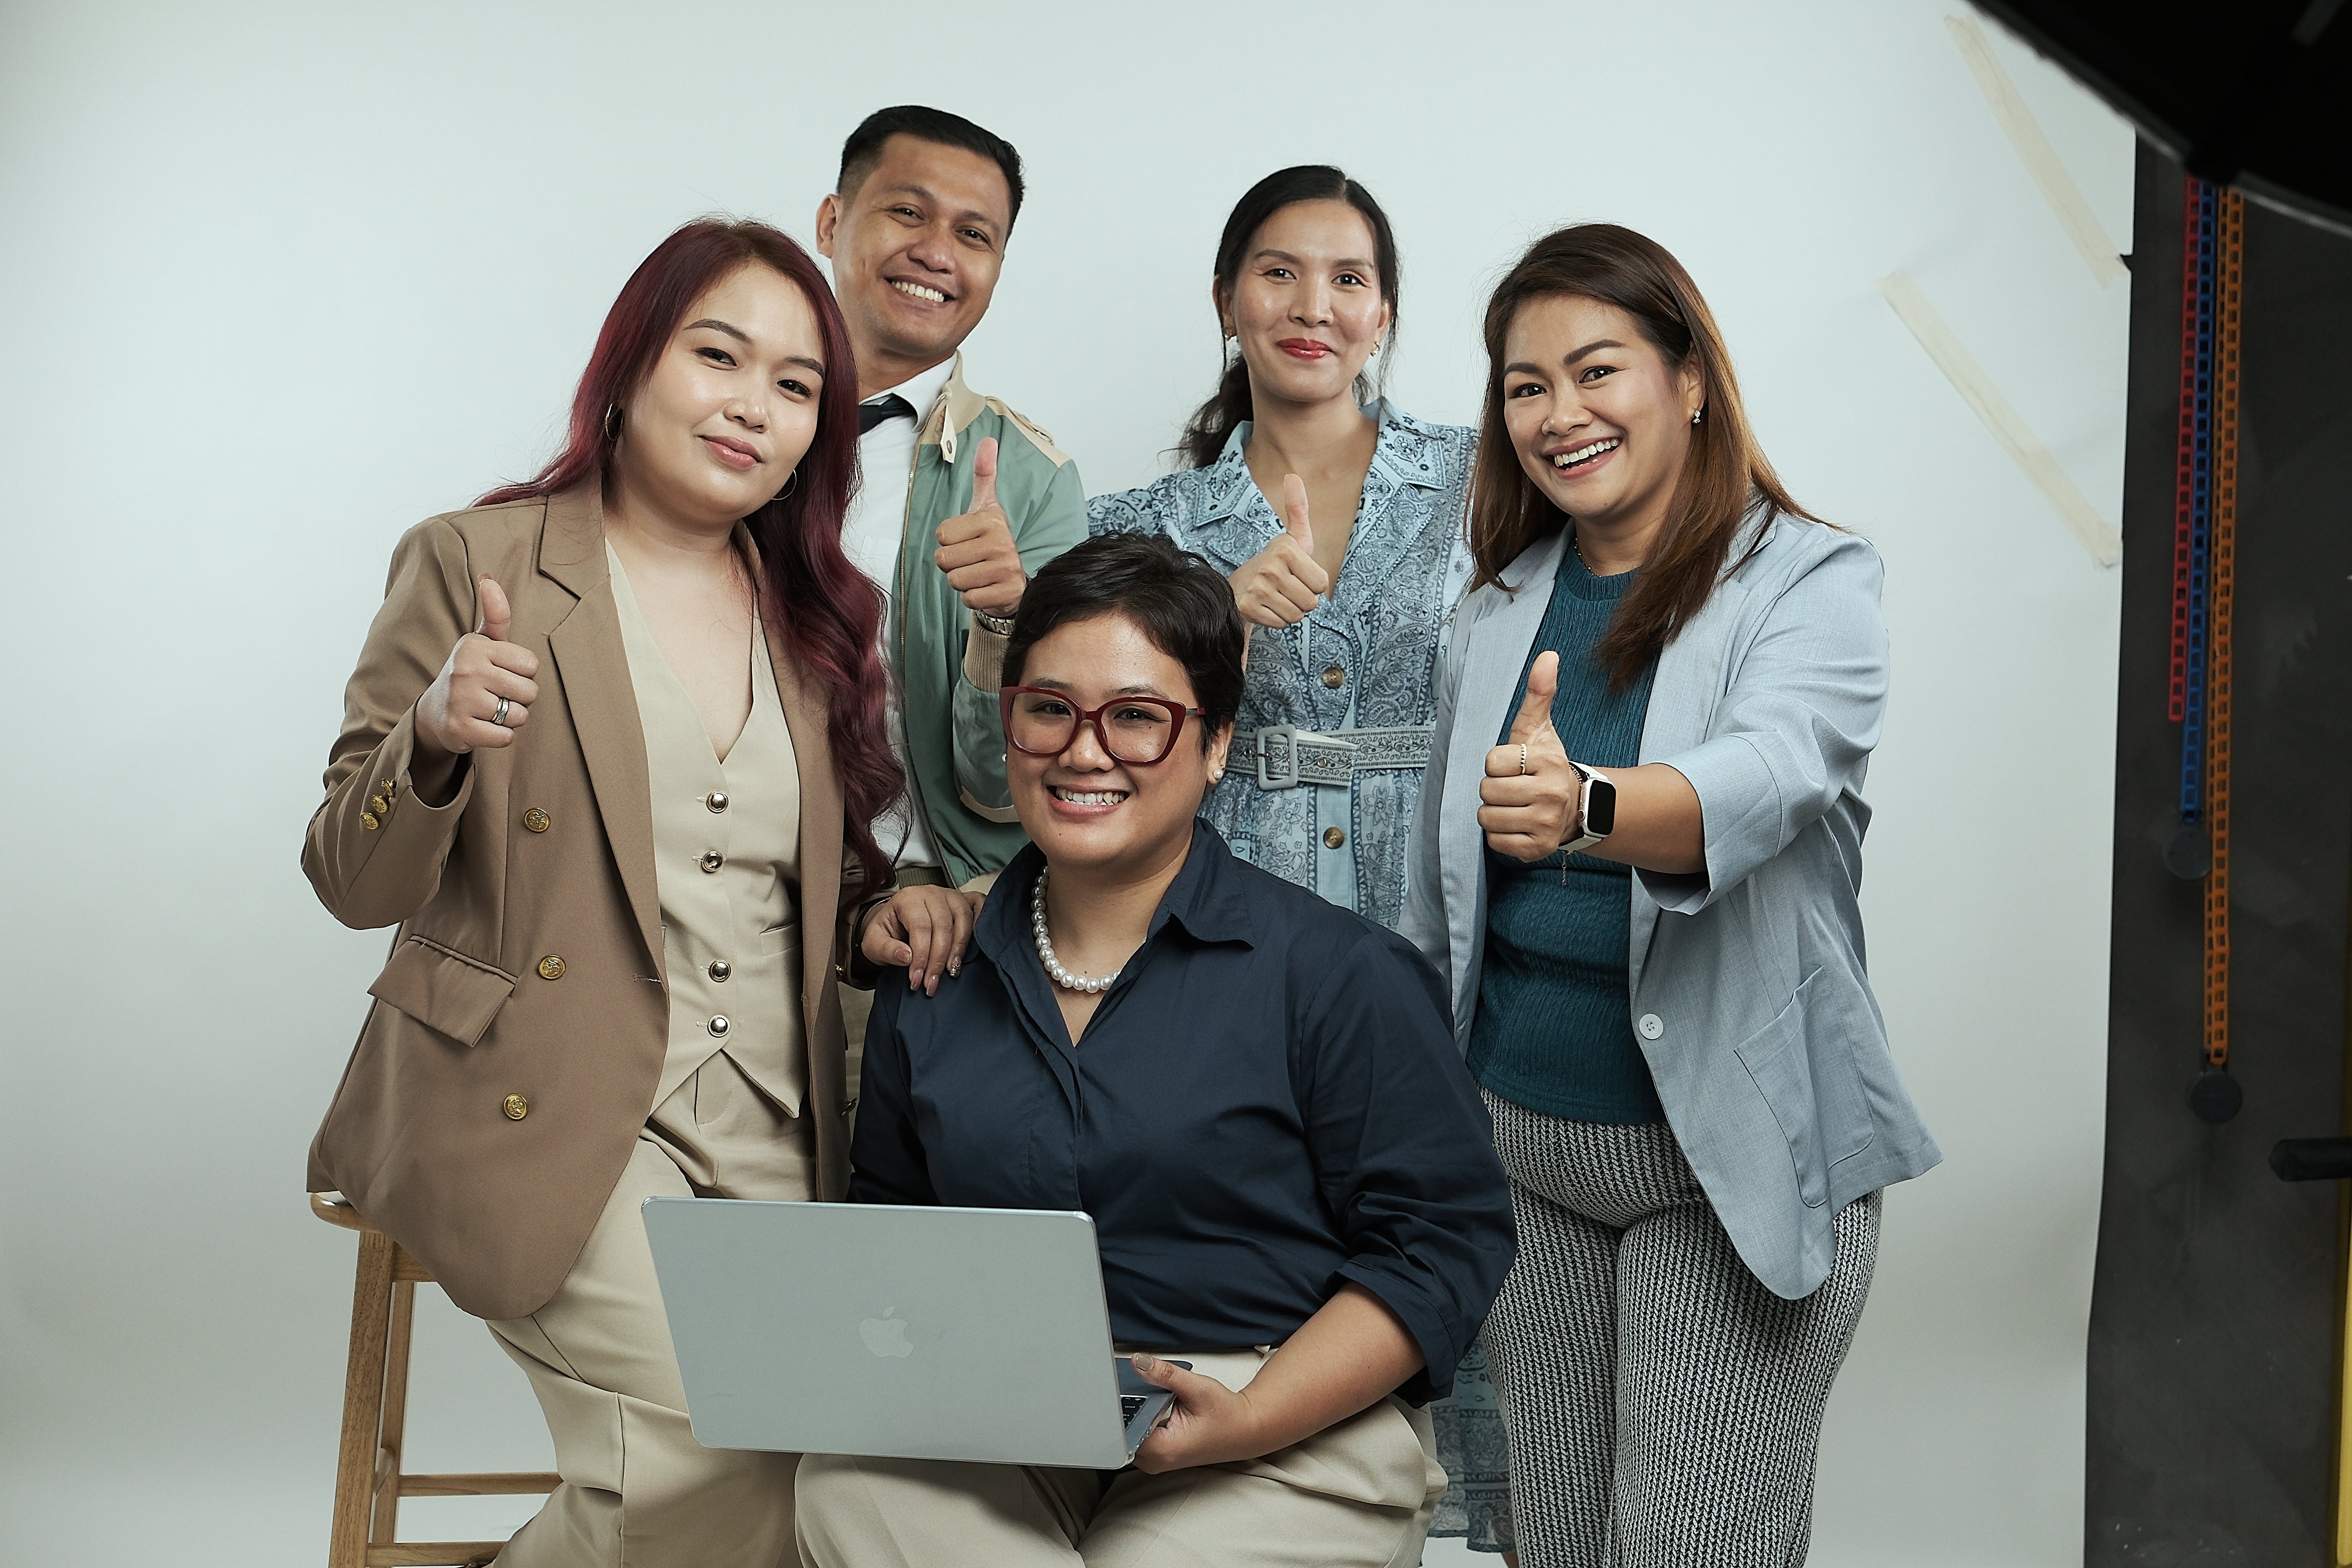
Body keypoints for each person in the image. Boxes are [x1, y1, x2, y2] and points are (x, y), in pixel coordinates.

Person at [302, 219, 897, 1567]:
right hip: (545, 1103)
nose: (755, 404)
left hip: (780, 1125)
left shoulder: (817, 617)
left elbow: (795, 886)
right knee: (719, 1437)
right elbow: (348, 871)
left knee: (836, 1450)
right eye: (720, 355)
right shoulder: (479, 562)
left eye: (798, 386)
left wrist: (892, 908)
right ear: (631, 367)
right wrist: (437, 737)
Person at [802, 534, 1516, 1568]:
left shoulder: (1336, 975)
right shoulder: (935, 977)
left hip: (1279, 1411)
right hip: (1012, 1410)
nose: (1083, 750)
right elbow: (897, 1234)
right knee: (847, 1486)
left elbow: (1441, 1249)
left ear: (1216, 741)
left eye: (1137, 717)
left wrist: (1255, 1414)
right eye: (1050, 709)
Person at [1400, 224, 1942, 1566]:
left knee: (1690, 1549)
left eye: (1597, 371)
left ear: (1689, 377)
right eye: (1526, 387)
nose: (1560, 414)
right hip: (1528, 1160)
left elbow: (1770, 777)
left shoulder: (1810, 582)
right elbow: (1441, 901)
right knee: (1557, 1549)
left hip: (1730, 1166)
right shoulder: (1493, 607)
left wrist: (1587, 805)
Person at [1083, 166, 1510, 1555]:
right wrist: (1215, 621)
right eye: (1278, 273)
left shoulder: (1481, 476)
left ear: (1385, 312)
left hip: (1447, 898)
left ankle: (1442, 1526)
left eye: (1346, 279)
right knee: (1251, 1206)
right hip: (1227, 904)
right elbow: (1083, 730)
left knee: (1452, 1211)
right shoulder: (1139, 524)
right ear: (1227, 301)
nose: (1311, 306)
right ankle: (1244, 1496)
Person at [815, 105, 1088, 1053]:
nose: (939, 252)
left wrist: (1006, 622)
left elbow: (1017, 782)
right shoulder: (720, 426)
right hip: (706, 892)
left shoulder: (1029, 478)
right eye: (908, 213)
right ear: (831, 223)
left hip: (921, 922)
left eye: (975, 235)